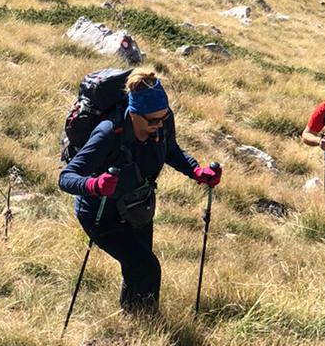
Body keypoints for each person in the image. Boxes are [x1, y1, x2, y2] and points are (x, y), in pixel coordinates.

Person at [59, 67, 221, 314]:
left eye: (163, 117)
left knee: (136, 265)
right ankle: (147, 321)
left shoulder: (162, 121)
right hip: (101, 214)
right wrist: (94, 185)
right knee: (146, 267)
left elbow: (170, 150)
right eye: (152, 121)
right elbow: (66, 177)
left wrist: (196, 171)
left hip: (136, 206)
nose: (159, 124)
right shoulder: (108, 132)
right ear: (133, 113)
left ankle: (132, 317)